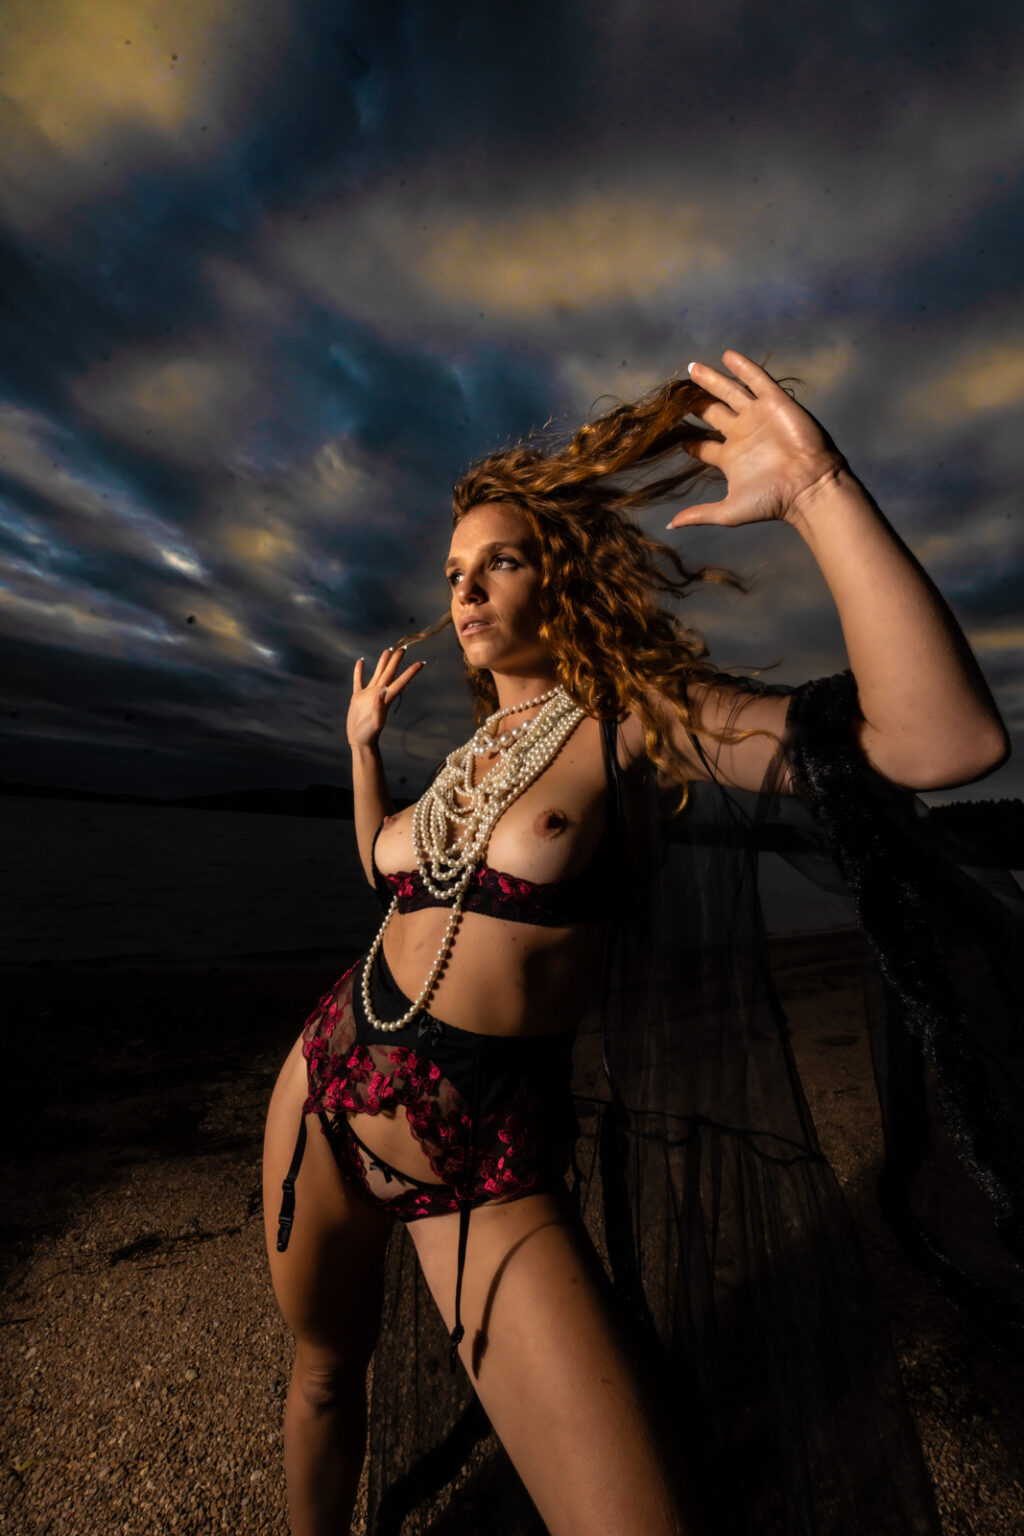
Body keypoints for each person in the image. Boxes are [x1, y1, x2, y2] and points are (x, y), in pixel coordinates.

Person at [262, 351, 1019, 1536]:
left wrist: (817, 489)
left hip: (474, 1148)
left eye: (499, 561)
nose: (465, 591)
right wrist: (362, 750)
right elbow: (378, 870)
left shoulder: (633, 720)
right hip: (323, 1074)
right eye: (454, 572)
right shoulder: (466, 760)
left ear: (558, 575)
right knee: (320, 1377)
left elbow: (941, 744)